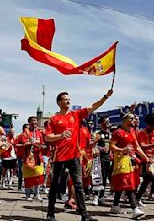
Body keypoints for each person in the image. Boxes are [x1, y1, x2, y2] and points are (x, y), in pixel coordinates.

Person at [45, 89, 113, 221]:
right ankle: (50, 213)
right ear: (59, 103)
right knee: (55, 184)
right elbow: (47, 137)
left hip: (74, 156)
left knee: (79, 185)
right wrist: (60, 135)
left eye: (69, 99)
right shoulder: (54, 119)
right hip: (59, 157)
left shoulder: (76, 115)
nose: (68, 101)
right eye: (65, 99)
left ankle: (84, 215)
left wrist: (105, 97)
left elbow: (93, 106)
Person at [110, 113, 149, 218]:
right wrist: (122, 150)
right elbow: (112, 146)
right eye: (131, 118)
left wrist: (145, 157)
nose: (134, 120)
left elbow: (136, 146)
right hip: (121, 161)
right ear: (124, 120)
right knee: (128, 184)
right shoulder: (118, 132)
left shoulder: (132, 131)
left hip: (131, 161)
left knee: (123, 184)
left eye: (134, 118)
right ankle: (134, 209)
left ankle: (115, 206)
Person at [23, 116, 45, 201]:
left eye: (36, 121)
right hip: (28, 158)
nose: (35, 122)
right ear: (29, 123)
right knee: (28, 177)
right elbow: (23, 144)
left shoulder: (40, 133)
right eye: (33, 121)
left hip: (38, 158)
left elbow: (42, 143)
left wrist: (39, 144)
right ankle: (28, 195)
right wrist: (30, 143)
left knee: (39, 176)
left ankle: (37, 194)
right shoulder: (26, 133)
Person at [92, 116, 112, 206]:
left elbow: (112, 145)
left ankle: (101, 196)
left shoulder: (110, 134)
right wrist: (100, 149)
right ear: (101, 123)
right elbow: (92, 145)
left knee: (105, 177)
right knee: (98, 177)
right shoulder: (97, 134)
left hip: (108, 159)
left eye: (108, 121)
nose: (107, 123)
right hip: (99, 159)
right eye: (105, 121)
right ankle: (95, 196)